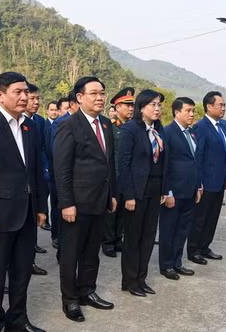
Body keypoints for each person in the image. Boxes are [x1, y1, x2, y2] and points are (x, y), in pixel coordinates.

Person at [0, 72, 48, 332]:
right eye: (18, 92)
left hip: (25, 212)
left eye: (26, 91)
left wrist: (40, 207)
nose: (24, 96)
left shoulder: (31, 126)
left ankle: (18, 320)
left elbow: (36, 170)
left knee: (22, 272)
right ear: (0, 95)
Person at [54, 76, 117, 322]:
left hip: (100, 200)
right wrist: (67, 203)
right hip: (77, 204)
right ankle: (69, 300)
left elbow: (109, 163)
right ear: (79, 97)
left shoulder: (106, 124)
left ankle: (87, 291)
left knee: (92, 252)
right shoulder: (68, 126)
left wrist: (112, 194)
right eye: (94, 93)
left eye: (102, 93)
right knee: (71, 254)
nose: (100, 97)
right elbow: (62, 169)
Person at [118, 89, 168, 297]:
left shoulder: (159, 129)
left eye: (159, 105)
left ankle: (141, 278)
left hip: (155, 191)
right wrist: (129, 195)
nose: (157, 109)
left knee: (148, 238)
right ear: (141, 107)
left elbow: (164, 163)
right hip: (137, 192)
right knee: (133, 239)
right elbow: (124, 164)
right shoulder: (131, 129)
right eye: (152, 105)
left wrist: (164, 190)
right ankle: (129, 281)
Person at [187, 91, 226, 265]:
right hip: (206, 182)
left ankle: (205, 246)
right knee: (200, 217)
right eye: (220, 105)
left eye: (224, 105)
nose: (223, 108)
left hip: (219, 180)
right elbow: (198, 157)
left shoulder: (224, 125)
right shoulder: (201, 127)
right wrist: (199, 183)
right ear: (209, 106)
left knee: (213, 216)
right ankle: (194, 249)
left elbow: (225, 153)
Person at [159, 97, 199, 281]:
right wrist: (167, 192)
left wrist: (198, 185)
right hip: (173, 191)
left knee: (183, 229)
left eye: (193, 111)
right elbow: (164, 165)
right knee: (169, 229)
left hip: (190, 190)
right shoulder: (167, 132)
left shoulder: (191, 133)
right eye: (188, 111)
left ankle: (177, 261)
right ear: (177, 112)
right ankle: (166, 265)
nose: (192, 114)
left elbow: (194, 161)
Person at [102, 87, 135, 258]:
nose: (130, 109)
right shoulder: (109, 126)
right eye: (126, 105)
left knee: (123, 209)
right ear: (117, 107)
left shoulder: (133, 127)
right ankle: (107, 242)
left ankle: (117, 239)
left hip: (126, 176)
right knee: (111, 210)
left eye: (132, 106)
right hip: (113, 175)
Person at [46, 92, 80, 251]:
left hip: (78, 179)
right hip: (60, 174)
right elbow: (56, 152)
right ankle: (57, 237)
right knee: (59, 207)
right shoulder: (60, 123)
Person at [24, 83, 49, 274]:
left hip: (36, 178)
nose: (35, 102)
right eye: (32, 98)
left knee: (33, 223)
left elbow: (42, 149)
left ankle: (29, 260)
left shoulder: (39, 122)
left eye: (37, 98)